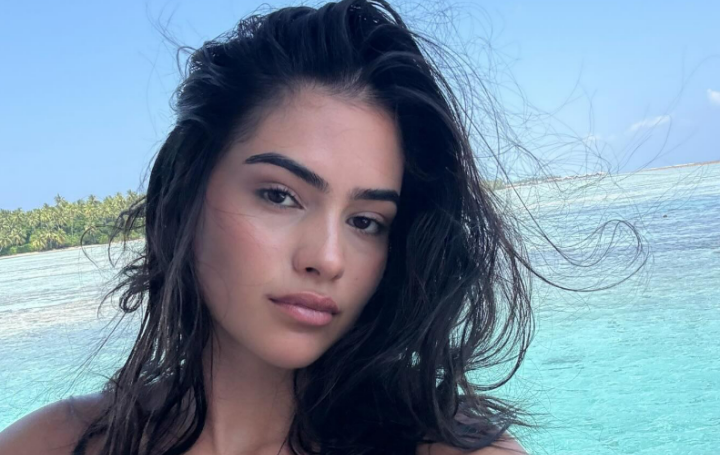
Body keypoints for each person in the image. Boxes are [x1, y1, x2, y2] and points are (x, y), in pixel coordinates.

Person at [0, 0, 534, 453]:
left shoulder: (450, 449)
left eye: (366, 221)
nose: (327, 258)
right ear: (187, 193)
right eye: (280, 196)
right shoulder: (50, 444)